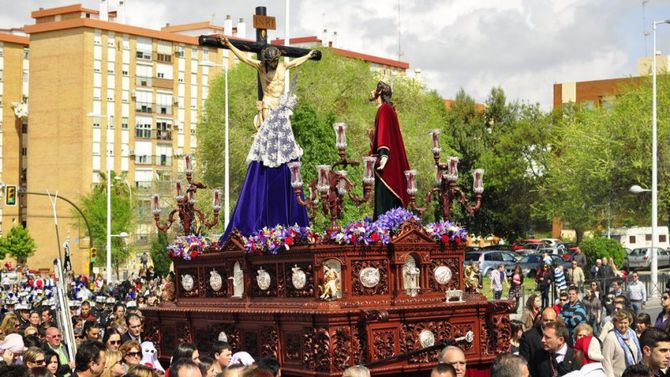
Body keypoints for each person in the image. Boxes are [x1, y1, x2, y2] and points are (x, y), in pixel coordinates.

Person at [218, 36, 316, 240]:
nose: (270, 64)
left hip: (279, 110)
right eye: (268, 61)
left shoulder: (282, 67)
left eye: (272, 61)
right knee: (267, 151)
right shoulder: (261, 68)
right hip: (267, 109)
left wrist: (307, 55)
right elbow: (245, 59)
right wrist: (228, 45)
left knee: (283, 152)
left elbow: (296, 62)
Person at [368, 80, 411, 219]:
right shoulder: (389, 110)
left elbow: (384, 133)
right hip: (389, 164)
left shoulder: (384, 109)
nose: (372, 91)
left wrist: (384, 155)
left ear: (379, 92)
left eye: (374, 89)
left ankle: (382, 231)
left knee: (383, 201)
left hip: (386, 167)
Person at [520, 307, 559, 377]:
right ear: (541, 319)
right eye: (546, 320)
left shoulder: (562, 334)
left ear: (556, 319)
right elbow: (524, 362)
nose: (548, 323)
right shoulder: (528, 337)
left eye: (551, 320)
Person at [603, 311, 642, 377]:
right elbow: (606, 361)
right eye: (620, 323)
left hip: (634, 374)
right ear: (615, 323)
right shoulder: (610, 337)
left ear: (629, 323)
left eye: (625, 323)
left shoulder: (632, 334)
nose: (623, 325)